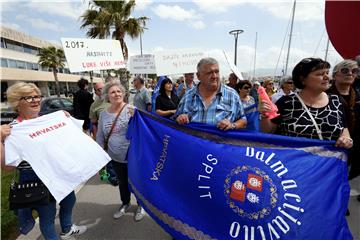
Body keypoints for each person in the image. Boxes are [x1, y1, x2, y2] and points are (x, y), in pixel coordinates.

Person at [1, 82, 86, 240]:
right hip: (35, 176)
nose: (35, 100)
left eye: (37, 96)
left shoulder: (48, 119)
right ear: (17, 103)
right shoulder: (12, 130)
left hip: (58, 170)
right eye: (29, 97)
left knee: (69, 199)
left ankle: (67, 229)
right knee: (47, 216)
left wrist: (63, 120)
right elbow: (7, 168)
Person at [260, 57, 353, 149]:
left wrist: (346, 139)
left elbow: (344, 130)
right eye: (320, 74)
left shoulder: (336, 101)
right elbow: (268, 132)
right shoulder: (286, 102)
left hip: (329, 162)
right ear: (302, 79)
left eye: (327, 73)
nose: (327, 77)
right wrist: (265, 115)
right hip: (295, 162)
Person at [96, 81, 145, 222]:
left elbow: (143, 131)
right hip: (115, 157)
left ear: (123, 93)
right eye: (112, 92)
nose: (116, 94)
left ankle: (141, 205)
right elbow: (100, 135)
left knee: (137, 182)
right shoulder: (104, 115)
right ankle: (125, 203)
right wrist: (99, 155)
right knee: (122, 182)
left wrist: (136, 116)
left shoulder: (132, 110)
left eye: (119, 91)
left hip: (134, 156)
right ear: (107, 96)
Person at [175, 57, 247, 130]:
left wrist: (232, 125)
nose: (214, 76)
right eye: (209, 73)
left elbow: (243, 120)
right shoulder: (188, 96)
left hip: (220, 141)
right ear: (199, 76)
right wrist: (180, 118)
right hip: (193, 141)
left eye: (217, 72)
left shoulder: (232, 95)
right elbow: (174, 121)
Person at [327, 60, 360, 182]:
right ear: (335, 75)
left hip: (356, 148)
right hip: (333, 147)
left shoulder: (358, 96)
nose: (350, 74)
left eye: (354, 71)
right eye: (345, 70)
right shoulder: (325, 96)